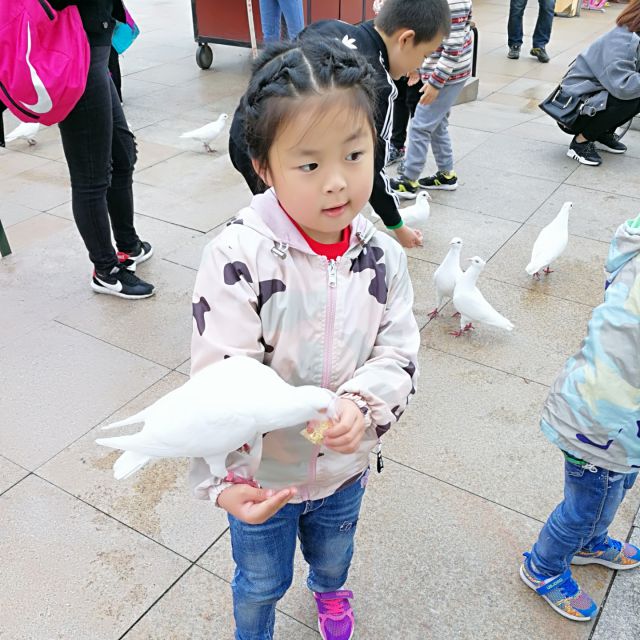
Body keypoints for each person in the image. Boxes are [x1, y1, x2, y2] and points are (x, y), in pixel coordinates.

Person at [190, 38, 420, 640]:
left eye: (355, 154)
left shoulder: (383, 258)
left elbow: (398, 351)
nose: (338, 183)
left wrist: (362, 405)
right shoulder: (237, 257)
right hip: (262, 477)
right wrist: (224, 483)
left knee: (334, 555)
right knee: (260, 581)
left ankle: (331, 591)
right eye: (310, 165)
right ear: (263, 167)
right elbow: (218, 383)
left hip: (343, 468)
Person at [229, 0, 452, 249]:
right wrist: (397, 225)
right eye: (424, 56)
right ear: (406, 40)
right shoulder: (379, 85)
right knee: (303, 226)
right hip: (283, 155)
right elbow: (372, 168)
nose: (419, 66)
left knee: (283, 212)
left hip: (244, 130)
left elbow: (272, 67)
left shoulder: (330, 26)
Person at [520, 213, 640, 622]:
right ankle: (543, 566)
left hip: (620, 423)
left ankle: (590, 542)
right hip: (600, 420)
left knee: (615, 488)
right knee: (586, 505)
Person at [48, 0, 154, 299]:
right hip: (75, 52)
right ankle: (106, 271)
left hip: (96, 48)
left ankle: (128, 245)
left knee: (122, 154)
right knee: (91, 175)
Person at [389, 0, 473, 197]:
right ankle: (446, 175)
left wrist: (435, 83)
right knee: (437, 124)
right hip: (442, 73)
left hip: (446, 76)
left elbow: (453, 48)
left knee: (420, 126)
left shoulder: (454, 2)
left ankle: (409, 180)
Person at [560, 0, 640, 166]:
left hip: (597, 97)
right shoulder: (624, 39)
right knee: (629, 98)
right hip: (572, 108)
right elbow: (624, 87)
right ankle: (580, 143)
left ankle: (602, 133)